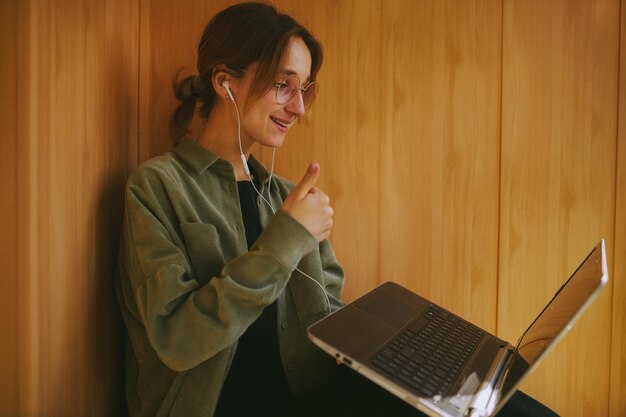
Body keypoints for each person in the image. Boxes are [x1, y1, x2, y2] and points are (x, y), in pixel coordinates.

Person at [115, 2, 558, 417]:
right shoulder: (159, 186)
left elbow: (326, 316)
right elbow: (176, 340)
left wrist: (404, 350)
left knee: (479, 395)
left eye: (305, 89)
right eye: (282, 85)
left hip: (309, 395)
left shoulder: (287, 195)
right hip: (222, 407)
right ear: (225, 81)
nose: (299, 108)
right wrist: (287, 237)